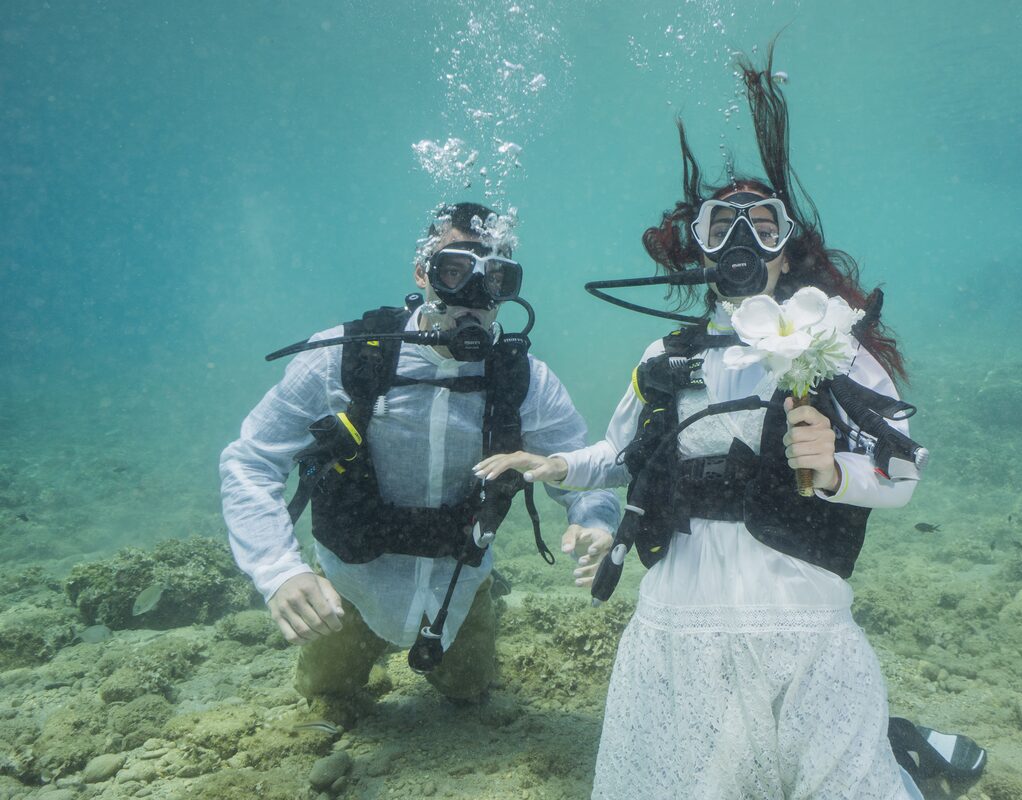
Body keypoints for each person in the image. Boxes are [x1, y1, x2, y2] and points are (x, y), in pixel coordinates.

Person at [475, 48, 969, 799]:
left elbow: (903, 473)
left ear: (784, 251)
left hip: (803, 622)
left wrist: (835, 471)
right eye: (721, 226)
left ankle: (899, 758)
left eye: (762, 226)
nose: (741, 243)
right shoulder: (666, 354)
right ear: (698, 245)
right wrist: (557, 467)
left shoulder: (833, 347)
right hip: (677, 621)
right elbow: (622, 450)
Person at [220, 201, 620, 718]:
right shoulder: (342, 357)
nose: (472, 299)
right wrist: (278, 570)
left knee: (469, 692)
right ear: (422, 272)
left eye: (493, 278)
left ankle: (458, 641)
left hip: (460, 584)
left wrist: (593, 520)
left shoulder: (524, 380)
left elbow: (581, 467)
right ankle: (344, 673)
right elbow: (250, 461)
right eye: (454, 271)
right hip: (348, 582)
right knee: (328, 696)